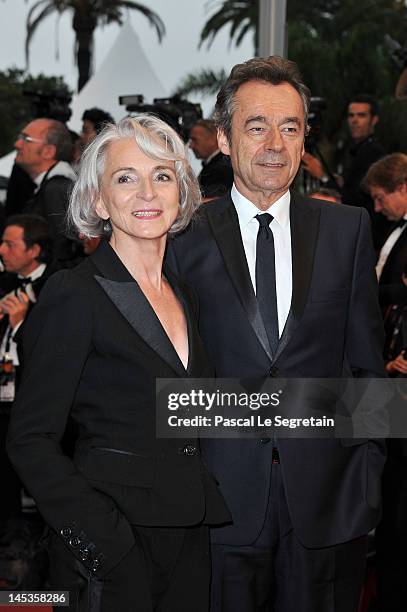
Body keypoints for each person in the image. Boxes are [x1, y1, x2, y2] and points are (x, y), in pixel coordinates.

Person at [168, 56, 386, 612]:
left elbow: (366, 366)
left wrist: (365, 484)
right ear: (223, 137)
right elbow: (168, 376)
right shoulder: (181, 238)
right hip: (216, 505)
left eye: (290, 127)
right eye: (256, 126)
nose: (275, 143)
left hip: (329, 508)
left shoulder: (348, 229)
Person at [7, 115, 230, 611]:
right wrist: (104, 545)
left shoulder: (186, 296)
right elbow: (29, 439)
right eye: (126, 177)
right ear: (99, 200)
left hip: (190, 539)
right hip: (113, 553)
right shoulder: (75, 293)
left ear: (181, 194)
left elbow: (193, 413)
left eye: (163, 175)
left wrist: (366, 410)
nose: (147, 192)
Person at [0, 214, 53, 523]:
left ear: (34, 250)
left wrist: (20, 322)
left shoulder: (58, 284)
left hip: (36, 390)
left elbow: (51, 346)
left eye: (10, 244)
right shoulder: (5, 284)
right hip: (5, 385)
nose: (3, 251)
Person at [302, 94, 388, 248]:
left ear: (374, 120)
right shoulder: (354, 149)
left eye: (361, 115)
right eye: (351, 116)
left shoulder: (374, 152)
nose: (354, 121)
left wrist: (322, 176)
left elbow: (354, 201)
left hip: (367, 239)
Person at [14, 118, 82, 266]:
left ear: (48, 151)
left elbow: (63, 252)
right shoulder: (53, 186)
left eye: (26, 139)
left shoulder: (56, 189)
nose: (17, 144)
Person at [189, 119, 233, 200]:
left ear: (213, 139)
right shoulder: (221, 163)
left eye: (195, 140)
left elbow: (212, 200)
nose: (190, 146)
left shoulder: (223, 168)